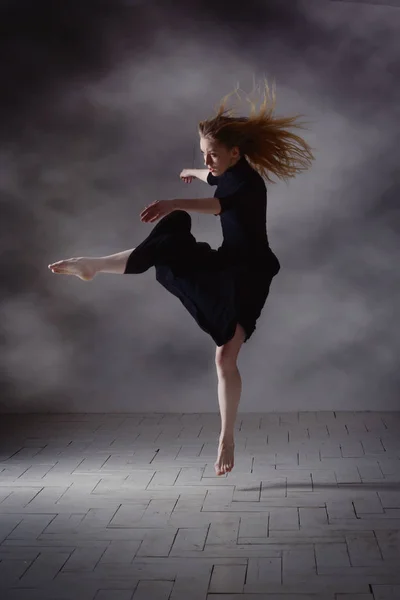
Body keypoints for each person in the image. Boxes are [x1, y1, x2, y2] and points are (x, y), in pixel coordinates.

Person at [48, 79, 315, 476]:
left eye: (212, 155)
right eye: (204, 154)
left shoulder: (248, 183)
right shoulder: (226, 168)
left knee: (225, 356)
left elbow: (217, 203)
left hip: (250, 274)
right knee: (170, 240)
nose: (208, 162)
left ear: (235, 153)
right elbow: (211, 179)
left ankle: (227, 439)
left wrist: (174, 198)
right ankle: (95, 265)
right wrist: (192, 170)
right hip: (226, 260)